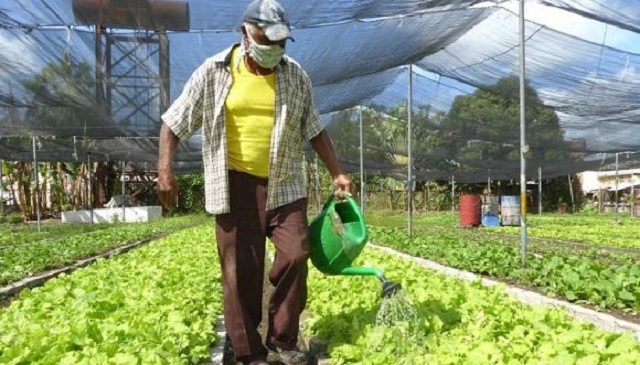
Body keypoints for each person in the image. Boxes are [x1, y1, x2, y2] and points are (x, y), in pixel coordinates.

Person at [157, 0, 351, 364]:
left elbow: (315, 130)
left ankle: (284, 338)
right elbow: (174, 122)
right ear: (246, 34)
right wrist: (165, 170)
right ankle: (248, 352)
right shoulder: (213, 71)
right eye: (268, 41)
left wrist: (337, 171)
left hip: (286, 183)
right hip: (234, 186)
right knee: (240, 271)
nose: (274, 50)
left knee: (295, 255)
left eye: (281, 43)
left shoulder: (295, 75)